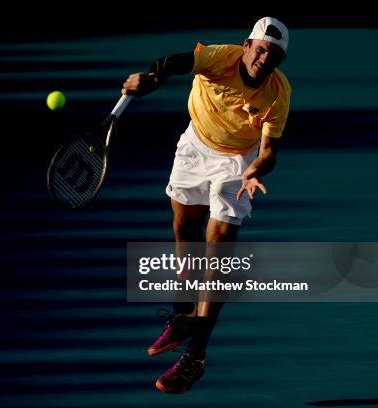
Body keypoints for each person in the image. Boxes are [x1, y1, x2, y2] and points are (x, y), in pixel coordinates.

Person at [122, 17, 291, 394]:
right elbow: (173, 62)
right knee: (185, 232)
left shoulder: (278, 93)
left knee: (216, 252)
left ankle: (195, 355)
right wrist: (151, 79)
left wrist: (255, 170)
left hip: (236, 164)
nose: (264, 60)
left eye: (274, 56)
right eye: (260, 50)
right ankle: (184, 316)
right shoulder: (219, 57)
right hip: (195, 144)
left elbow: (269, 152)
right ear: (246, 46)